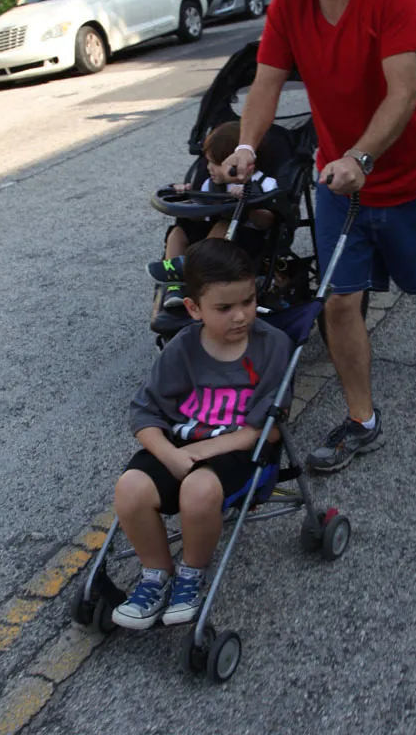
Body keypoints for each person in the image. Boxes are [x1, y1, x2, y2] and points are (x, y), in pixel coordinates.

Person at [224, 0, 416, 474]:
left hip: (409, 173)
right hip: (338, 181)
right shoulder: (289, 2)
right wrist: (245, 146)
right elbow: (266, 82)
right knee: (340, 301)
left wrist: (361, 157)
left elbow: (403, 91)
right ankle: (362, 420)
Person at [111, 239, 293, 629]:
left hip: (240, 448)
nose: (241, 316)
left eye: (248, 301)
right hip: (181, 442)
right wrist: (172, 455)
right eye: (224, 308)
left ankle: (191, 574)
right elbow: (144, 412)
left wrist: (199, 453)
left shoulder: (273, 346)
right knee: (130, 489)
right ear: (194, 309)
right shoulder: (183, 348)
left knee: (198, 490)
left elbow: (268, 430)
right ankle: (156, 575)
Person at [148, 121, 277, 309]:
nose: (208, 167)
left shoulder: (265, 183)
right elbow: (201, 216)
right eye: (207, 161)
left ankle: (187, 266)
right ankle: (175, 283)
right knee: (178, 232)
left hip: (246, 241)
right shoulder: (211, 184)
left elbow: (269, 221)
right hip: (211, 237)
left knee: (222, 225)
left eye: (214, 163)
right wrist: (186, 195)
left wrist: (249, 205)